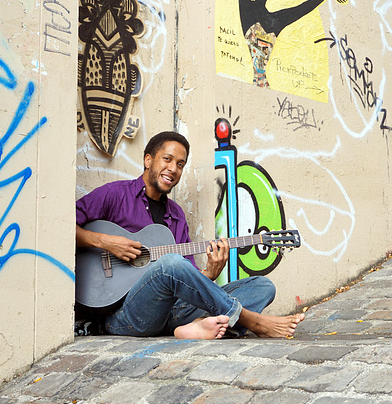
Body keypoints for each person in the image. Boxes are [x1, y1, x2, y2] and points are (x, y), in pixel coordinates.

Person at [76, 131, 304, 339]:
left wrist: (210, 273)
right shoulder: (114, 195)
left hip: (172, 311)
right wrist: (105, 242)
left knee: (262, 286)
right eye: (167, 159)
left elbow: (185, 280)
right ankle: (250, 322)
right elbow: (64, 227)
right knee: (170, 263)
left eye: (180, 164)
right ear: (148, 160)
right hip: (127, 316)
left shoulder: (176, 216)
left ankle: (195, 326)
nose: (173, 169)